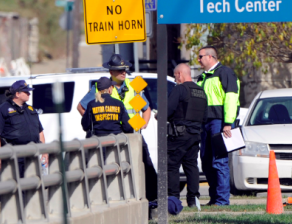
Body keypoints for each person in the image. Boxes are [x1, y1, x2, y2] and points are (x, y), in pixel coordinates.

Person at [77, 54, 158, 200]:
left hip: (132, 134)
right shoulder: (101, 87)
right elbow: (82, 107)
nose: (123, 73)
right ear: (111, 73)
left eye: (125, 70)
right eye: (120, 70)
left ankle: (153, 199)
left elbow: (146, 109)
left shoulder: (134, 85)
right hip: (111, 135)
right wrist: (95, 122)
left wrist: (141, 125)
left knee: (146, 164)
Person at [196, 46, 241, 206]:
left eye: (200, 57)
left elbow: (231, 98)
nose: (198, 60)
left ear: (210, 57)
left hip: (219, 122)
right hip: (205, 123)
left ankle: (222, 200)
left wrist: (228, 123)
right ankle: (215, 197)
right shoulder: (203, 77)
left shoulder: (225, 73)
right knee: (206, 160)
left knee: (219, 161)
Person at [166, 63, 207, 207]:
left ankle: (173, 199)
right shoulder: (201, 91)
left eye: (175, 76)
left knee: (171, 165)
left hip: (179, 134)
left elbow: (168, 110)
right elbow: (205, 116)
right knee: (191, 167)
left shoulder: (180, 89)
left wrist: (160, 116)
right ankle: (193, 200)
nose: (175, 79)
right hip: (195, 134)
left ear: (179, 74)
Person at [0, 80, 47, 178]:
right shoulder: (1, 110)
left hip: (31, 155)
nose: (29, 93)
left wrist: (44, 151)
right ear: (17, 94)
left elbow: (40, 131)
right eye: (26, 92)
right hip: (12, 157)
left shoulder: (31, 110)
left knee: (31, 188)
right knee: (13, 189)